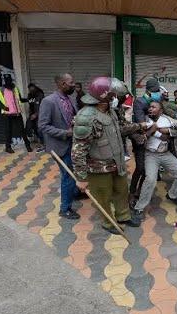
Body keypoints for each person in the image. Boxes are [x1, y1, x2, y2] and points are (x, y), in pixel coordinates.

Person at [72, 76, 138, 232]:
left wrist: (137, 127)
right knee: (103, 196)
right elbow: (78, 150)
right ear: (105, 96)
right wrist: (81, 178)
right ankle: (108, 223)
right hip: (98, 168)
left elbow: (117, 130)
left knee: (122, 191)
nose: (116, 98)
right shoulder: (86, 117)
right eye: (113, 95)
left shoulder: (110, 111)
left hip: (117, 163)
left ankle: (124, 216)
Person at [130, 101, 177, 225]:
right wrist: (152, 131)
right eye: (149, 107)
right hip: (151, 155)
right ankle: (139, 208)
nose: (150, 109)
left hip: (165, 154)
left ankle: (173, 195)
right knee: (150, 179)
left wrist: (162, 131)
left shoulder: (167, 120)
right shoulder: (144, 121)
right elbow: (140, 139)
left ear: (161, 110)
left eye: (154, 107)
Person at [39, 73, 81, 220]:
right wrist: (65, 133)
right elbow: (43, 126)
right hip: (59, 146)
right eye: (71, 83)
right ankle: (65, 209)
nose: (74, 85)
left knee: (73, 171)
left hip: (72, 144)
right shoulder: (48, 101)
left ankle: (74, 193)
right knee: (67, 176)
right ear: (62, 84)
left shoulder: (70, 99)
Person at [130, 78, 163, 204]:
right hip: (140, 139)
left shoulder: (156, 101)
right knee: (139, 167)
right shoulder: (139, 102)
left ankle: (140, 190)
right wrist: (155, 123)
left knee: (147, 169)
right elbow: (141, 123)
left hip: (151, 138)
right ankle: (132, 193)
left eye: (157, 91)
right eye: (155, 91)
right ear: (148, 91)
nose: (157, 93)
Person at [110, 79, 145, 162]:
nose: (123, 99)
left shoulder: (118, 108)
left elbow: (123, 122)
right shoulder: (105, 110)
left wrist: (136, 133)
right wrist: (139, 126)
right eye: (120, 96)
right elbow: (120, 128)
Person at [0, 74, 32, 154]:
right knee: (8, 130)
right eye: (6, 80)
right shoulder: (0, 90)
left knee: (22, 130)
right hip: (7, 114)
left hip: (17, 113)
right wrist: (5, 108)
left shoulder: (15, 88)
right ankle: (8, 147)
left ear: (11, 80)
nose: (8, 81)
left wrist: (28, 100)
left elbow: (20, 99)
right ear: (4, 81)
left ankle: (28, 145)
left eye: (9, 80)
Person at [25, 83, 45, 152]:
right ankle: (39, 142)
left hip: (39, 115)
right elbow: (30, 104)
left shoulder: (40, 95)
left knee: (40, 130)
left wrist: (36, 114)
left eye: (32, 89)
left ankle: (44, 144)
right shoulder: (29, 95)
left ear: (35, 88)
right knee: (31, 128)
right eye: (30, 89)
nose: (31, 90)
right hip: (32, 115)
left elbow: (42, 107)